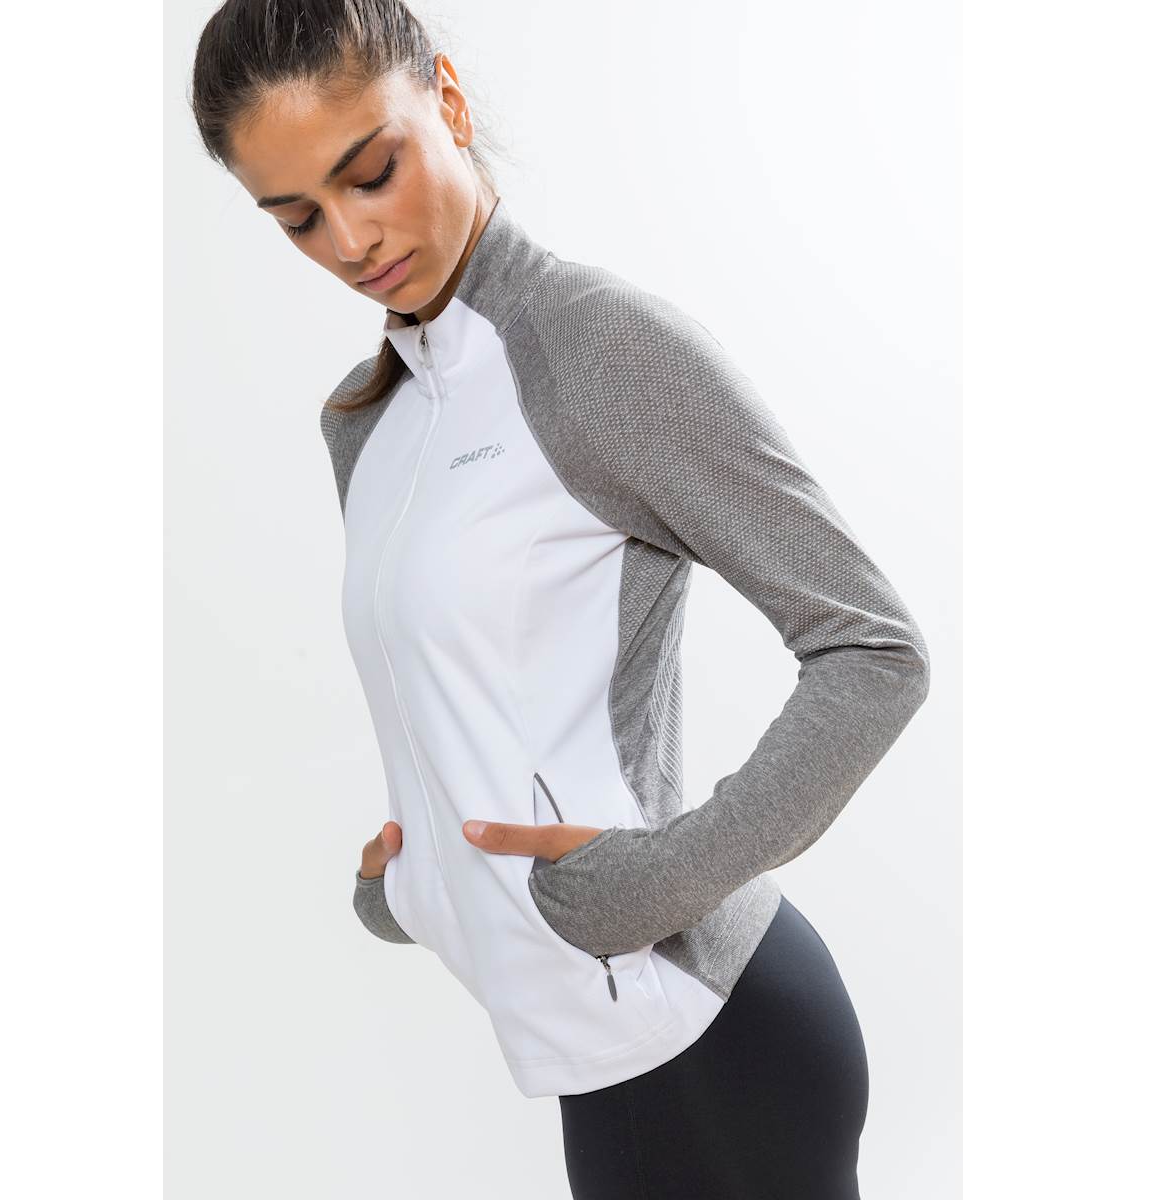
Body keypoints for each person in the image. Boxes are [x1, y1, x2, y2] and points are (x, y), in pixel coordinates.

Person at [190, 2, 931, 1195]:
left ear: (449, 101)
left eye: (370, 172)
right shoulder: (368, 423)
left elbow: (874, 649)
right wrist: (416, 888)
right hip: (596, 1058)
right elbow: (477, 701)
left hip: (715, 1034)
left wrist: (655, 879)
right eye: (298, 218)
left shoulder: (597, 351)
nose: (351, 238)